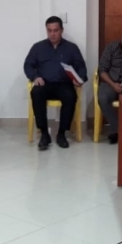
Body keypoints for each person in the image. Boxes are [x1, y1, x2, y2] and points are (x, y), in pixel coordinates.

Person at [24, 16, 88, 151]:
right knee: (36, 93)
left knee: (70, 96)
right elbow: (28, 65)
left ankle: (61, 134)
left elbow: (81, 67)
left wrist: (80, 79)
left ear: (61, 30)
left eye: (56, 30)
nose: (52, 34)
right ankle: (44, 134)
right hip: (44, 83)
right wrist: (35, 77)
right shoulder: (38, 47)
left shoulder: (71, 48)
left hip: (64, 84)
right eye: (49, 30)